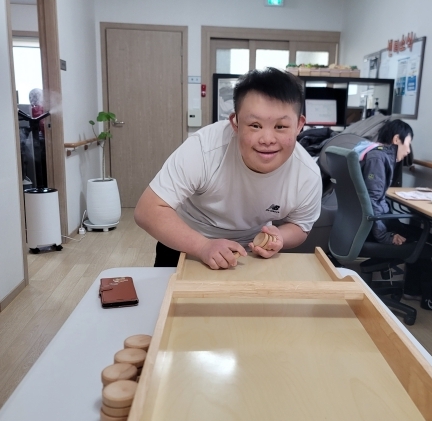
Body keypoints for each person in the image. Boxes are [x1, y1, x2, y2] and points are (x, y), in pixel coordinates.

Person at [134, 67, 322, 270]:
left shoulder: (307, 174)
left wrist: (281, 236)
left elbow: (301, 226)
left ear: (299, 125)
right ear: (235, 122)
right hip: (186, 243)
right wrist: (202, 246)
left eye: (280, 127)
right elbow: (148, 210)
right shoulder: (205, 148)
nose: (267, 140)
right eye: (255, 125)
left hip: (250, 253)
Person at [358, 118, 432, 315]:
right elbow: (373, 202)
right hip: (372, 229)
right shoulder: (378, 159)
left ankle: (411, 291)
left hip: (365, 226)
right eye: (408, 144)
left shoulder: (374, 152)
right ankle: (431, 299)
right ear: (396, 140)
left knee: (421, 236)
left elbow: (374, 200)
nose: (408, 151)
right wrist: (386, 237)